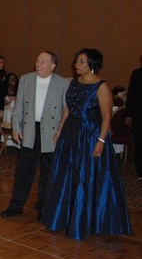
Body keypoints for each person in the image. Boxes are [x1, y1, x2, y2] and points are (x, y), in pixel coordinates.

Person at [41, 49, 132, 240]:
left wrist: (101, 141)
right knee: (67, 175)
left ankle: (86, 221)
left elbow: (106, 117)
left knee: (86, 176)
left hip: (89, 134)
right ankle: (64, 218)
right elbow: (69, 108)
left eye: (81, 61)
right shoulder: (75, 82)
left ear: (92, 64)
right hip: (70, 133)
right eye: (77, 61)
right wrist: (60, 129)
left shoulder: (101, 86)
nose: (77, 64)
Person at [0, 52, 69, 220]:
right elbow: (18, 107)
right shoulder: (26, 79)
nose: (39, 64)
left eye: (43, 62)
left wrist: (61, 131)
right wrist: (16, 127)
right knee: (23, 171)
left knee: (47, 173)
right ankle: (16, 206)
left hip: (51, 133)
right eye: (38, 61)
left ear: (53, 66)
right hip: (30, 131)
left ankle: (44, 208)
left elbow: (66, 110)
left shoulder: (62, 83)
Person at [125, 55, 142, 181]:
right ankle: (140, 171)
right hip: (138, 114)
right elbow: (131, 94)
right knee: (139, 142)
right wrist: (128, 114)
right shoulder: (137, 74)